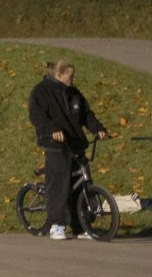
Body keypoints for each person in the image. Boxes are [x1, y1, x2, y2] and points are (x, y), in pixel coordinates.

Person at [27, 60, 107, 240]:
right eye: (71, 76)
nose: (73, 79)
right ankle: (56, 224)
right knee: (59, 185)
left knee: (81, 184)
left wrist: (98, 129)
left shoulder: (74, 93)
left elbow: (86, 115)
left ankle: (81, 225)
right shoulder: (41, 91)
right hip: (55, 145)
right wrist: (52, 130)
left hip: (75, 143)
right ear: (59, 75)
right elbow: (37, 116)